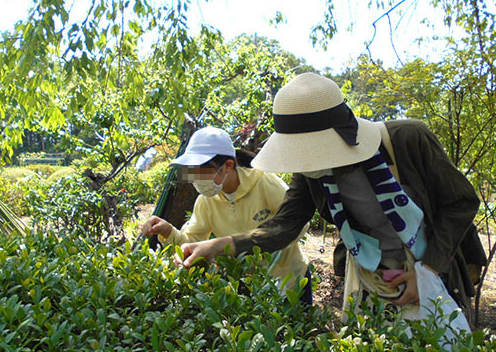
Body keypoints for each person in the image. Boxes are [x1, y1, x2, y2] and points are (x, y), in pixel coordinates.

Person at [175, 73, 487, 329]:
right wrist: (218, 246)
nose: (307, 162)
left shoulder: (406, 140)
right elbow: (282, 227)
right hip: (372, 276)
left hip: (432, 267)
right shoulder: (312, 173)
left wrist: (427, 272)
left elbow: (460, 202)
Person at [141, 126, 312, 304]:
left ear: (228, 166)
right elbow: (193, 244)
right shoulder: (206, 202)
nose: (195, 179)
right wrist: (168, 231)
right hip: (252, 288)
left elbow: (298, 225)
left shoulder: (263, 183)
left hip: (291, 279)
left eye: (201, 171)